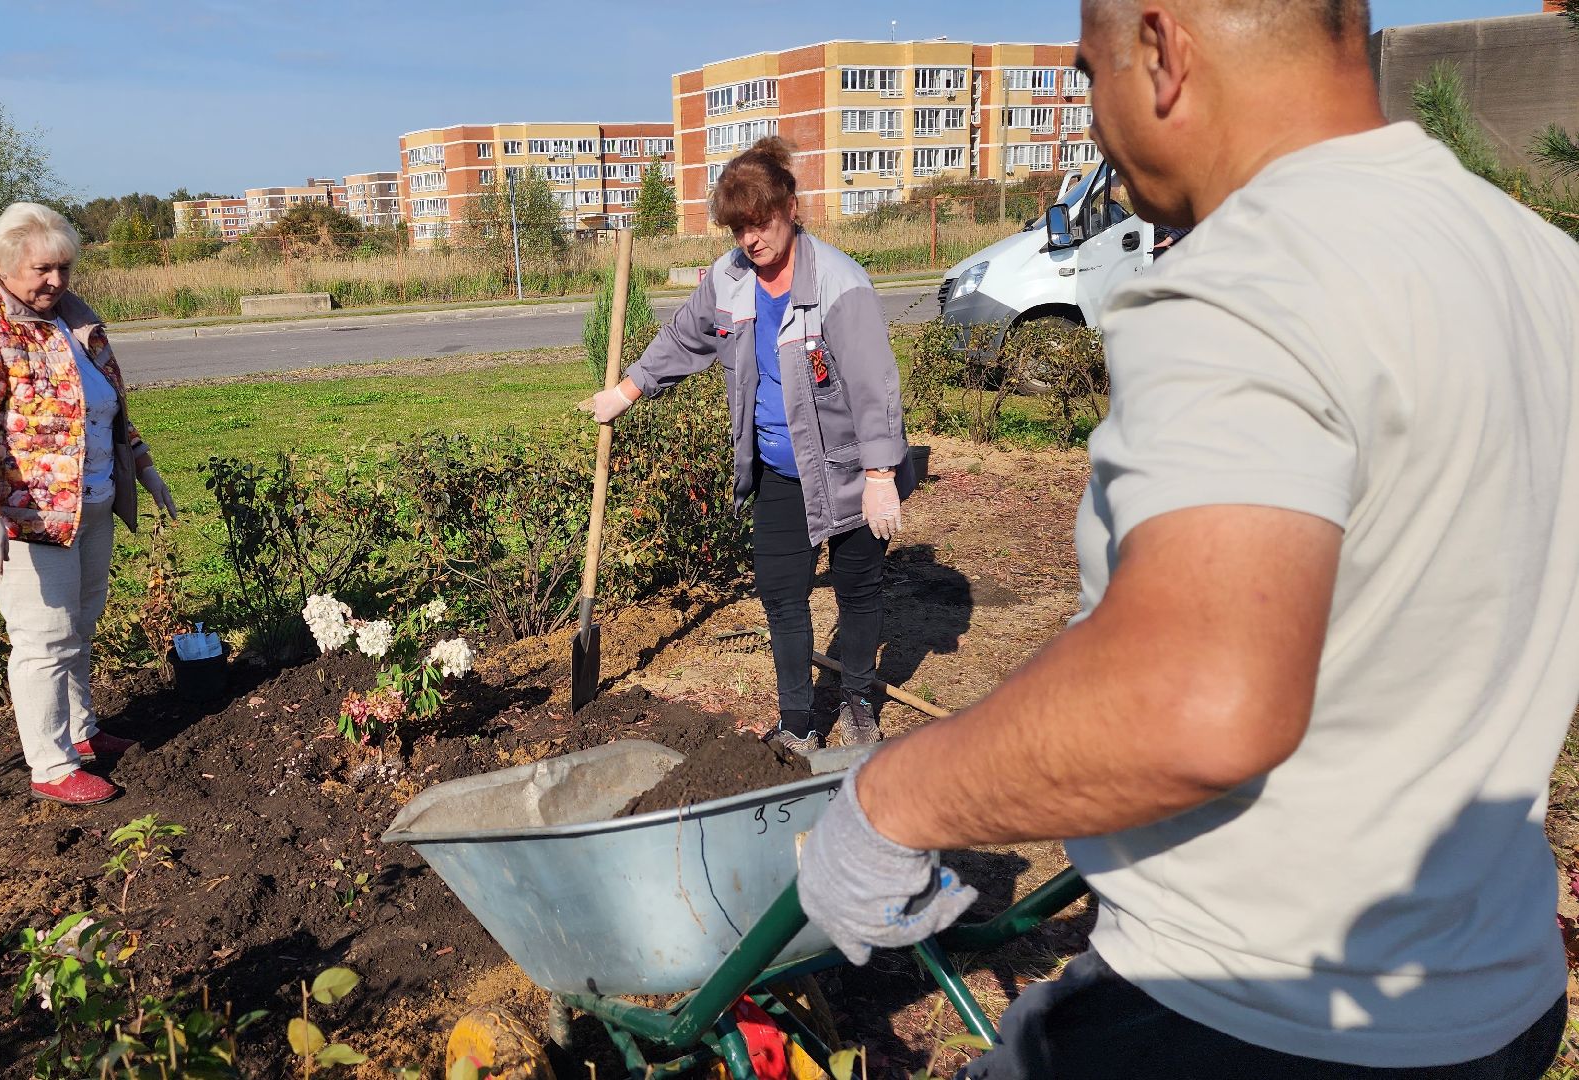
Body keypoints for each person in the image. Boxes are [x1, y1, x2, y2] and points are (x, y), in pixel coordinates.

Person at [798, 0, 1579, 1077]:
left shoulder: (1249, 279)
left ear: (1163, 51)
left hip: (1250, 1020)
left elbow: (1194, 702)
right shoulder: (1537, 260)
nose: (1094, 121)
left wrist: (890, 802)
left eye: (1090, 75)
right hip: (1497, 996)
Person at [583, 138, 911, 752]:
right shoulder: (729, 280)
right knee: (782, 595)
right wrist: (626, 391)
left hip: (847, 469)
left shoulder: (839, 283)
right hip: (779, 472)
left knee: (857, 589)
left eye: (760, 223)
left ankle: (858, 698)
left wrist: (879, 475)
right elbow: (683, 338)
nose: (750, 239)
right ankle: (797, 722)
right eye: (739, 228)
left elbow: (874, 385)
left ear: (791, 207)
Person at [0, 202, 180, 807]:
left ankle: (80, 730)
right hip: (23, 519)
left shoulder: (74, 319)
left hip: (89, 503)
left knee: (79, 627)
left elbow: (104, 406)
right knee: (44, 639)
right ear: (3, 265)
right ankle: (51, 763)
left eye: (64, 267)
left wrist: (142, 466)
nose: (56, 281)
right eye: (42, 269)